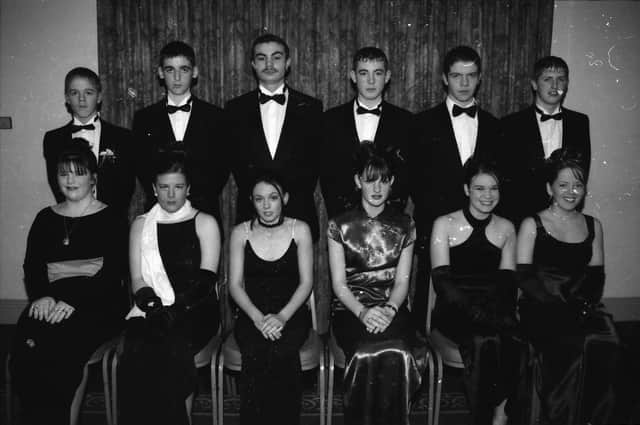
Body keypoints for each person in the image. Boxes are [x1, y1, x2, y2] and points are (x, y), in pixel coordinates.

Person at [10, 144, 127, 425]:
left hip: (98, 302)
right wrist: (40, 297)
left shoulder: (111, 217)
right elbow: (33, 267)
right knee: (27, 346)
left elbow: (113, 273)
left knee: (60, 349)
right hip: (50, 300)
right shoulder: (45, 218)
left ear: (93, 178)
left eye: (79, 173)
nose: (71, 180)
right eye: (64, 174)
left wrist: (75, 300)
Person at [118, 150, 221, 425]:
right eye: (164, 187)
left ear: (188, 188)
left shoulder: (205, 221)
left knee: (171, 344)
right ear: (153, 189)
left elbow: (206, 280)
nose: (171, 194)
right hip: (151, 307)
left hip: (196, 309)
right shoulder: (141, 225)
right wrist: (154, 308)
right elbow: (138, 279)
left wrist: (174, 311)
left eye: (178, 187)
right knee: (137, 344)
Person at [516, 149, 619, 425]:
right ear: (549, 188)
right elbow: (524, 277)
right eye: (563, 185)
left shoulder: (593, 225)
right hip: (541, 306)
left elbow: (596, 276)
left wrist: (582, 306)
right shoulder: (532, 224)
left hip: (582, 306)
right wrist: (557, 306)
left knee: (606, 339)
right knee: (568, 345)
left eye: (578, 185)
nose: (571, 191)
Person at [328, 144, 427, 425]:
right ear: (357, 181)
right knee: (364, 352)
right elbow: (338, 284)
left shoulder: (405, 223)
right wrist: (363, 312)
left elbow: (402, 282)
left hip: (391, 308)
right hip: (350, 309)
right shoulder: (339, 224)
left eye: (384, 180)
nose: (377, 188)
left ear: (392, 182)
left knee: (396, 348)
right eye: (370, 180)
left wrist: (389, 310)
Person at [410, 45, 501, 334]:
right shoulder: (421, 124)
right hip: (436, 228)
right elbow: (416, 180)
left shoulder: (495, 126)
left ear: (480, 78)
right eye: (456, 76)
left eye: (471, 76)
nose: (464, 83)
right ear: (444, 79)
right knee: (427, 316)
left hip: (482, 233)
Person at [430, 157, 522, 425]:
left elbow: (507, 284)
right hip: (454, 310)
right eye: (480, 188)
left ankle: (501, 414)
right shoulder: (444, 223)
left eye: (493, 188)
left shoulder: (506, 227)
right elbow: (443, 284)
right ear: (466, 190)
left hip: (492, 308)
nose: (487, 195)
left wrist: (498, 315)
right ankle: (482, 417)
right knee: (484, 341)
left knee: (516, 338)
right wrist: (478, 314)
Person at [228, 173, 313, 425]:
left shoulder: (301, 229)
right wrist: (257, 319)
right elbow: (234, 285)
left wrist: (282, 317)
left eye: (273, 198)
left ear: (284, 199)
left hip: (291, 313)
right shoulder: (239, 232)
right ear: (251, 202)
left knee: (282, 352)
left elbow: (306, 282)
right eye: (259, 199)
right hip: (252, 314)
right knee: (256, 351)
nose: (266, 206)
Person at [225, 33, 323, 241]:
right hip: (251, 217)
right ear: (253, 64)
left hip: (299, 216)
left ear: (287, 63)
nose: (269, 64)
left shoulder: (312, 109)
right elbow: (234, 163)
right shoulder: (235, 110)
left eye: (276, 57)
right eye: (261, 58)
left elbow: (315, 164)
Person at [133, 41, 228, 223]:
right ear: (160, 73)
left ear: (195, 72)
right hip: (159, 213)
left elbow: (220, 170)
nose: (177, 77)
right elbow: (143, 168)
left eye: (183, 69)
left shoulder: (216, 117)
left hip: (203, 212)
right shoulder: (144, 118)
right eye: (170, 70)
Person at [321, 46, 412, 218]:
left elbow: (405, 178)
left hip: (390, 222)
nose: (371, 81)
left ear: (387, 77)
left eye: (377, 73)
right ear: (353, 76)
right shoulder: (330, 120)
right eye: (364, 73)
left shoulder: (405, 121)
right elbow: (328, 178)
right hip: (344, 222)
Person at [499, 56, 591, 226]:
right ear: (534, 84)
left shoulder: (580, 122)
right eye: (547, 79)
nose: (555, 86)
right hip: (521, 217)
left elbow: (582, 171)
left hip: (565, 217)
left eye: (561, 79)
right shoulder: (510, 124)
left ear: (567, 84)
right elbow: (507, 179)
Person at [43, 67, 135, 219]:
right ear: (66, 98)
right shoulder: (53, 139)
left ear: (99, 97)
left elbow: (126, 187)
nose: (81, 99)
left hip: (111, 219)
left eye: (88, 92)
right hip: (71, 217)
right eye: (74, 93)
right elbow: (57, 184)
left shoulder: (123, 137)